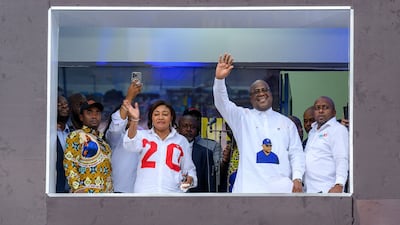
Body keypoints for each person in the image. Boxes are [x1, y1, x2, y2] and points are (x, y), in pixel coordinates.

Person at [213, 53, 305, 193]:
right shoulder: (242, 118)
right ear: (251, 98)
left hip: (281, 192)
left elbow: (296, 153)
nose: (261, 93)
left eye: (264, 90)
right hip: (248, 191)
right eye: (256, 91)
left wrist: (297, 178)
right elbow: (222, 103)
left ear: (271, 94)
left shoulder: (287, 123)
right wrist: (219, 79)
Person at [122, 99, 197, 193]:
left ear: (171, 118)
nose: (160, 117)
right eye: (156, 114)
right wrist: (134, 120)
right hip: (144, 194)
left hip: (173, 195)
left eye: (165, 114)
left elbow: (189, 170)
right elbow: (129, 145)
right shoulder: (142, 136)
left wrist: (189, 180)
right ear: (152, 118)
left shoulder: (181, 141)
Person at [63, 99, 113, 193]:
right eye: (89, 112)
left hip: (105, 196)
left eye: (97, 112)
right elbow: (70, 163)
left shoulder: (103, 140)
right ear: (81, 117)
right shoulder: (77, 135)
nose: (94, 116)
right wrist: (77, 189)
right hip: (85, 195)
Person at [304, 96, 349, 193]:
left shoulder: (338, 130)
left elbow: (341, 158)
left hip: (327, 190)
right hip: (310, 190)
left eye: (325, 107)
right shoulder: (313, 131)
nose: (320, 111)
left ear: (334, 112)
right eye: (317, 108)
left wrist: (339, 184)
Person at [104, 82, 142, 193]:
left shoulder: (143, 136)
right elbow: (117, 126)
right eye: (128, 118)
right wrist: (129, 98)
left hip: (139, 194)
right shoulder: (114, 137)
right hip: (117, 192)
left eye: (134, 118)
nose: (131, 121)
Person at [178, 108, 216, 192]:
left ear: (198, 131)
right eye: (185, 126)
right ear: (178, 129)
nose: (189, 129)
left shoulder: (205, 153)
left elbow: (210, 185)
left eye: (193, 127)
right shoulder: (168, 149)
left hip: (196, 201)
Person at [56, 95, 70, 193]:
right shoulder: (47, 134)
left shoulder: (73, 133)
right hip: (55, 189)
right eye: (59, 105)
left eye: (66, 104)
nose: (64, 107)